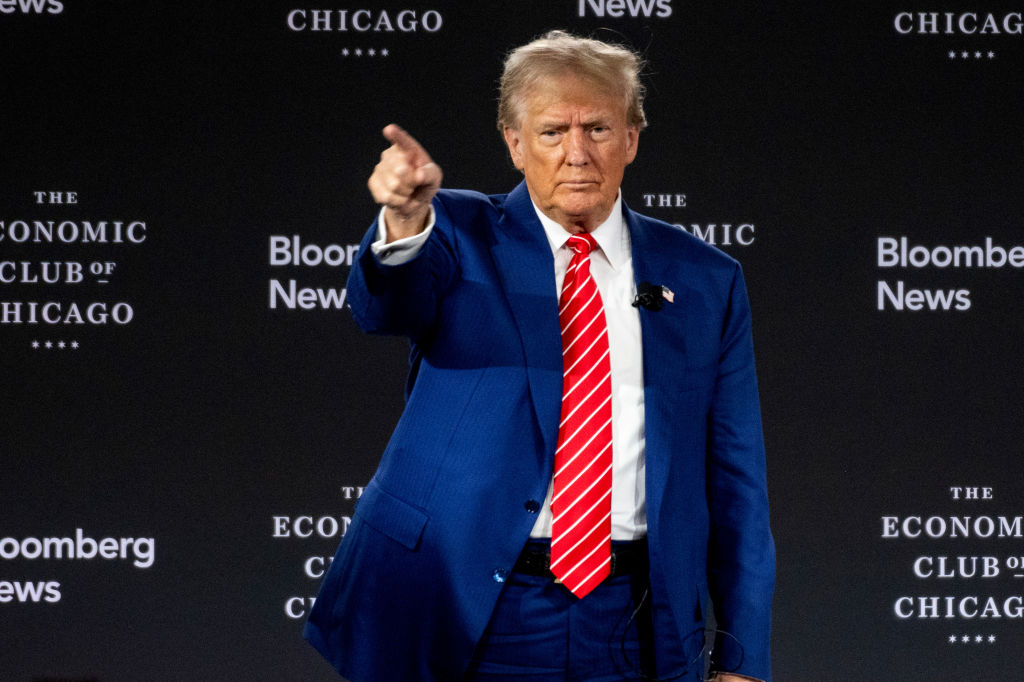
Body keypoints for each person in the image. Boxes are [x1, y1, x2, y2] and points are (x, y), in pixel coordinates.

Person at [305, 30, 774, 682]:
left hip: (635, 617)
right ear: (514, 143)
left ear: (633, 139)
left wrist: (743, 658)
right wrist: (406, 224)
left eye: (599, 129)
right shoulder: (458, 234)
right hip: (466, 601)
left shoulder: (705, 279)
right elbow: (384, 307)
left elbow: (738, 483)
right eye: (553, 132)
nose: (577, 154)